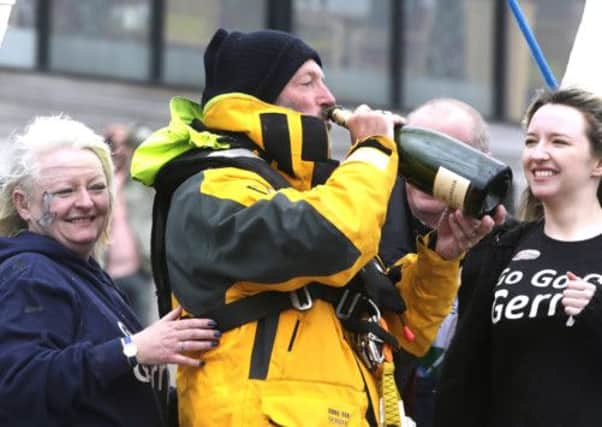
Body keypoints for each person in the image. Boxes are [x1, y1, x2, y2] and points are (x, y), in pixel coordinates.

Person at [130, 28, 504, 426]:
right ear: (254, 99)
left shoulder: (309, 195)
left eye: (324, 82)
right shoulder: (214, 185)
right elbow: (333, 237)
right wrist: (374, 150)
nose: (328, 98)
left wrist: (441, 256)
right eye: (307, 82)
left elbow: (404, 332)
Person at [0, 116, 221, 426]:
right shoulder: (29, 274)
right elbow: (19, 388)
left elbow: (120, 399)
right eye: (65, 192)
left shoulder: (85, 273)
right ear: (24, 205)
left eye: (97, 187)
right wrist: (134, 349)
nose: (86, 202)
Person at [434, 87, 602, 427]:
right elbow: (464, 374)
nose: (538, 154)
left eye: (558, 142)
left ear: (598, 162)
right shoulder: (500, 249)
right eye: (530, 141)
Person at [378, 98, 501, 427]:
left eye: (448, 155)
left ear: (483, 163)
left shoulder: (508, 247)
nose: (430, 168)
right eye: (420, 151)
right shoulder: (362, 231)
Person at [103, 122, 156, 325]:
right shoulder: (98, 180)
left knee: (140, 328)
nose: (117, 149)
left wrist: (129, 135)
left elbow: (149, 142)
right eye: (110, 144)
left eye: (121, 145)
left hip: (138, 271)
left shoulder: (139, 179)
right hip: (105, 272)